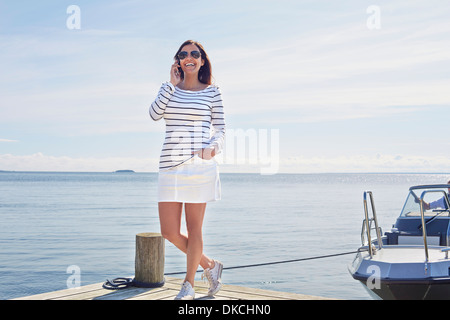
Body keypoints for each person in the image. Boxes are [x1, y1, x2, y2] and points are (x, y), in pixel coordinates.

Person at [149, 40, 225, 300]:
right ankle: (210, 265)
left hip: (199, 167)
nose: (189, 57)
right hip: (169, 166)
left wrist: (213, 147)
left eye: (195, 54)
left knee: (195, 229)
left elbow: (221, 130)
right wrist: (170, 84)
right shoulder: (168, 89)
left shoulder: (212, 92)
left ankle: (188, 285)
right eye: (184, 54)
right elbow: (154, 114)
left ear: (202, 60)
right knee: (168, 231)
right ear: (178, 61)